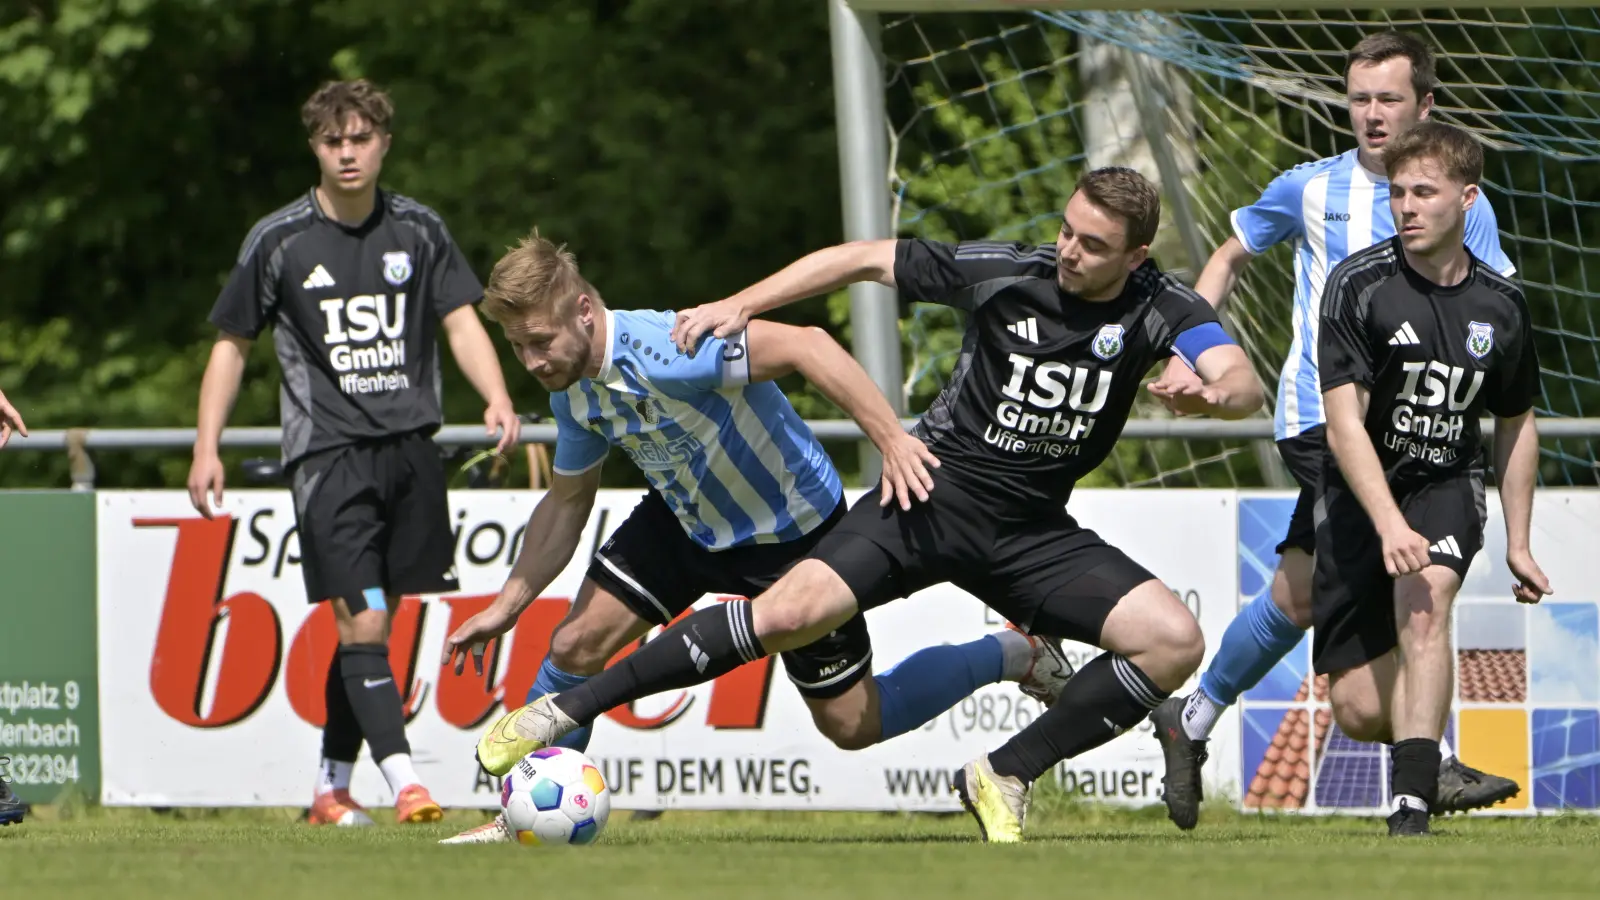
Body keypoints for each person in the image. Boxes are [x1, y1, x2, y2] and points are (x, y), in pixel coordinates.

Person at [466, 167, 1265, 843]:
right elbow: (861, 260)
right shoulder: (1006, 271)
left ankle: (1007, 752)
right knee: (723, 622)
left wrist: (1211, 394)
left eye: (1092, 245)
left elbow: (1239, 378)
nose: (1068, 251)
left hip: (1009, 529)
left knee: (1170, 643)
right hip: (920, 494)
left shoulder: (1162, 306)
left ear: (1138, 255)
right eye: (1066, 229)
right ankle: (552, 732)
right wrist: (741, 302)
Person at [438, 231, 1073, 843]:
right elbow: (568, 500)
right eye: (518, 347)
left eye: (539, 342)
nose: (531, 362)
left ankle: (1014, 653)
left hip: (791, 533)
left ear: (582, 312)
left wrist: (892, 440)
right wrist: (507, 605)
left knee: (853, 724)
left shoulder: (672, 346)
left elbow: (810, 346)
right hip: (685, 521)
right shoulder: (573, 392)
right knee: (574, 644)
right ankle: (518, 818)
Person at [1149, 30, 1522, 828]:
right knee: (1412, 591)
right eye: (1359, 100)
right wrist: (1198, 348)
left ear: (1426, 104)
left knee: (1296, 594)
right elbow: (1227, 253)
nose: (1372, 115)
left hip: (1421, 431)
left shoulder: (1465, 203)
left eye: (1390, 99)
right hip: (1325, 422)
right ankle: (1433, 765)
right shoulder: (1311, 188)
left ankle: (1192, 718)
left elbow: (1487, 308)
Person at [187, 79, 521, 826]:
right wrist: (206, 444)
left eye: (360, 137)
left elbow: (461, 320)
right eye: (332, 140)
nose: (347, 152)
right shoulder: (278, 240)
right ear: (314, 147)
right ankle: (408, 782)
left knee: (375, 625)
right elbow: (231, 346)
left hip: (409, 451)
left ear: (384, 144)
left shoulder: (420, 229)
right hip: (328, 456)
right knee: (363, 621)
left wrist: (496, 396)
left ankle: (330, 791)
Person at [1311, 120, 1550, 835]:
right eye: (1396, 193)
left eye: (1424, 192)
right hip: (1363, 492)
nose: (1406, 206)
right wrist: (1386, 523)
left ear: (1467, 199)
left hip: (1445, 482)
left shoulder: (1502, 307)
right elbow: (1343, 424)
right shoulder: (1359, 286)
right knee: (1355, 708)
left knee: (1426, 602)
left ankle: (1410, 805)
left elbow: (1515, 423)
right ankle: (1423, 747)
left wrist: (1519, 542)